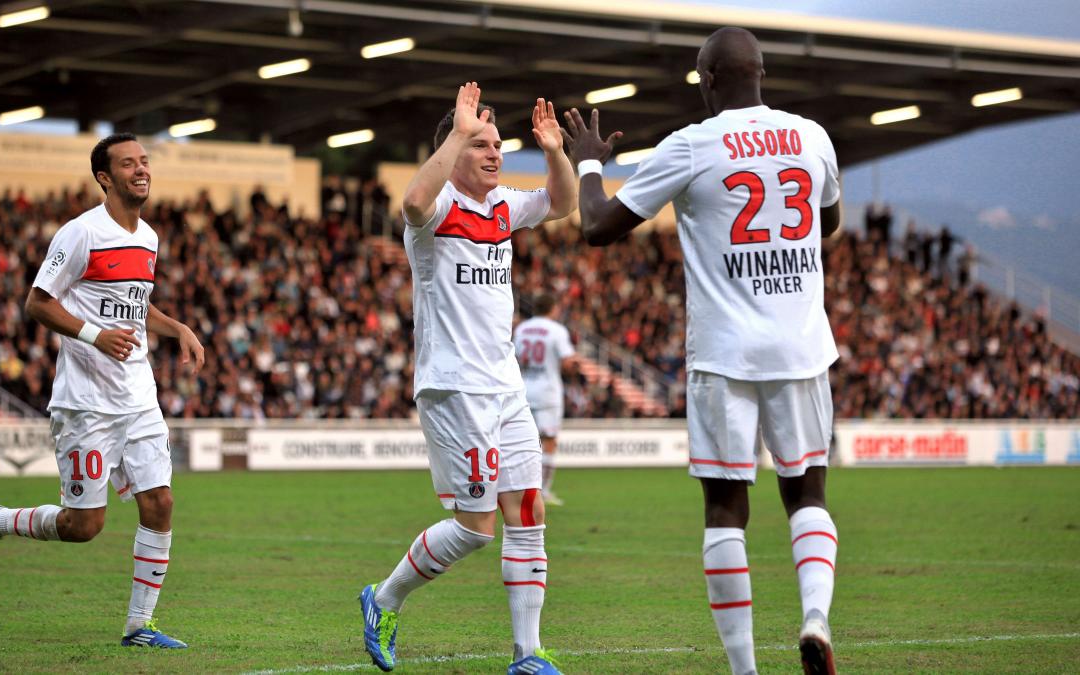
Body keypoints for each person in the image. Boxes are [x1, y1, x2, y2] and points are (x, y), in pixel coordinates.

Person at [564, 28, 842, 675]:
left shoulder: (690, 146)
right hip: (800, 345)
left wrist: (587, 161)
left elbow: (598, 226)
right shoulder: (812, 137)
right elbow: (826, 223)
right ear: (763, 73)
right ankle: (815, 617)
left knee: (726, 509)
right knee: (808, 493)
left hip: (724, 353)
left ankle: (745, 669)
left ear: (708, 80)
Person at [359, 83, 575, 675]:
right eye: (480, 145)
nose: (494, 153)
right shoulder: (436, 213)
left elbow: (562, 204)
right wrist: (457, 130)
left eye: (498, 144)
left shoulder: (503, 206)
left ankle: (526, 654)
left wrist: (555, 151)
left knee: (528, 512)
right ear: (452, 152)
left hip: (506, 387)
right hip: (454, 387)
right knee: (477, 529)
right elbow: (409, 201)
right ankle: (383, 600)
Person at [0, 133, 205, 649]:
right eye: (128, 164)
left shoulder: (150, 238)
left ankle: (140, 625)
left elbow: (135, 308)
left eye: (144, 161)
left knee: (159, 501)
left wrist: (176, 327)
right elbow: (37, 302)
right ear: (104, 177)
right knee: (83, 526)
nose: (141, 170)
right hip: (86, 403)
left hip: (138, 396)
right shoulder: (80, 235)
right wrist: (94, 335)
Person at [513, 293, 578, 506]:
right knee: (548, 441)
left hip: (523, 390)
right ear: (553, 308)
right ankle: (544, 491)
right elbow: (568, 363)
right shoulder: (557, 331)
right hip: (548, 392)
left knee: (522, 442)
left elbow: (514, 358)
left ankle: (516, 488)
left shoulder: (521, 329)